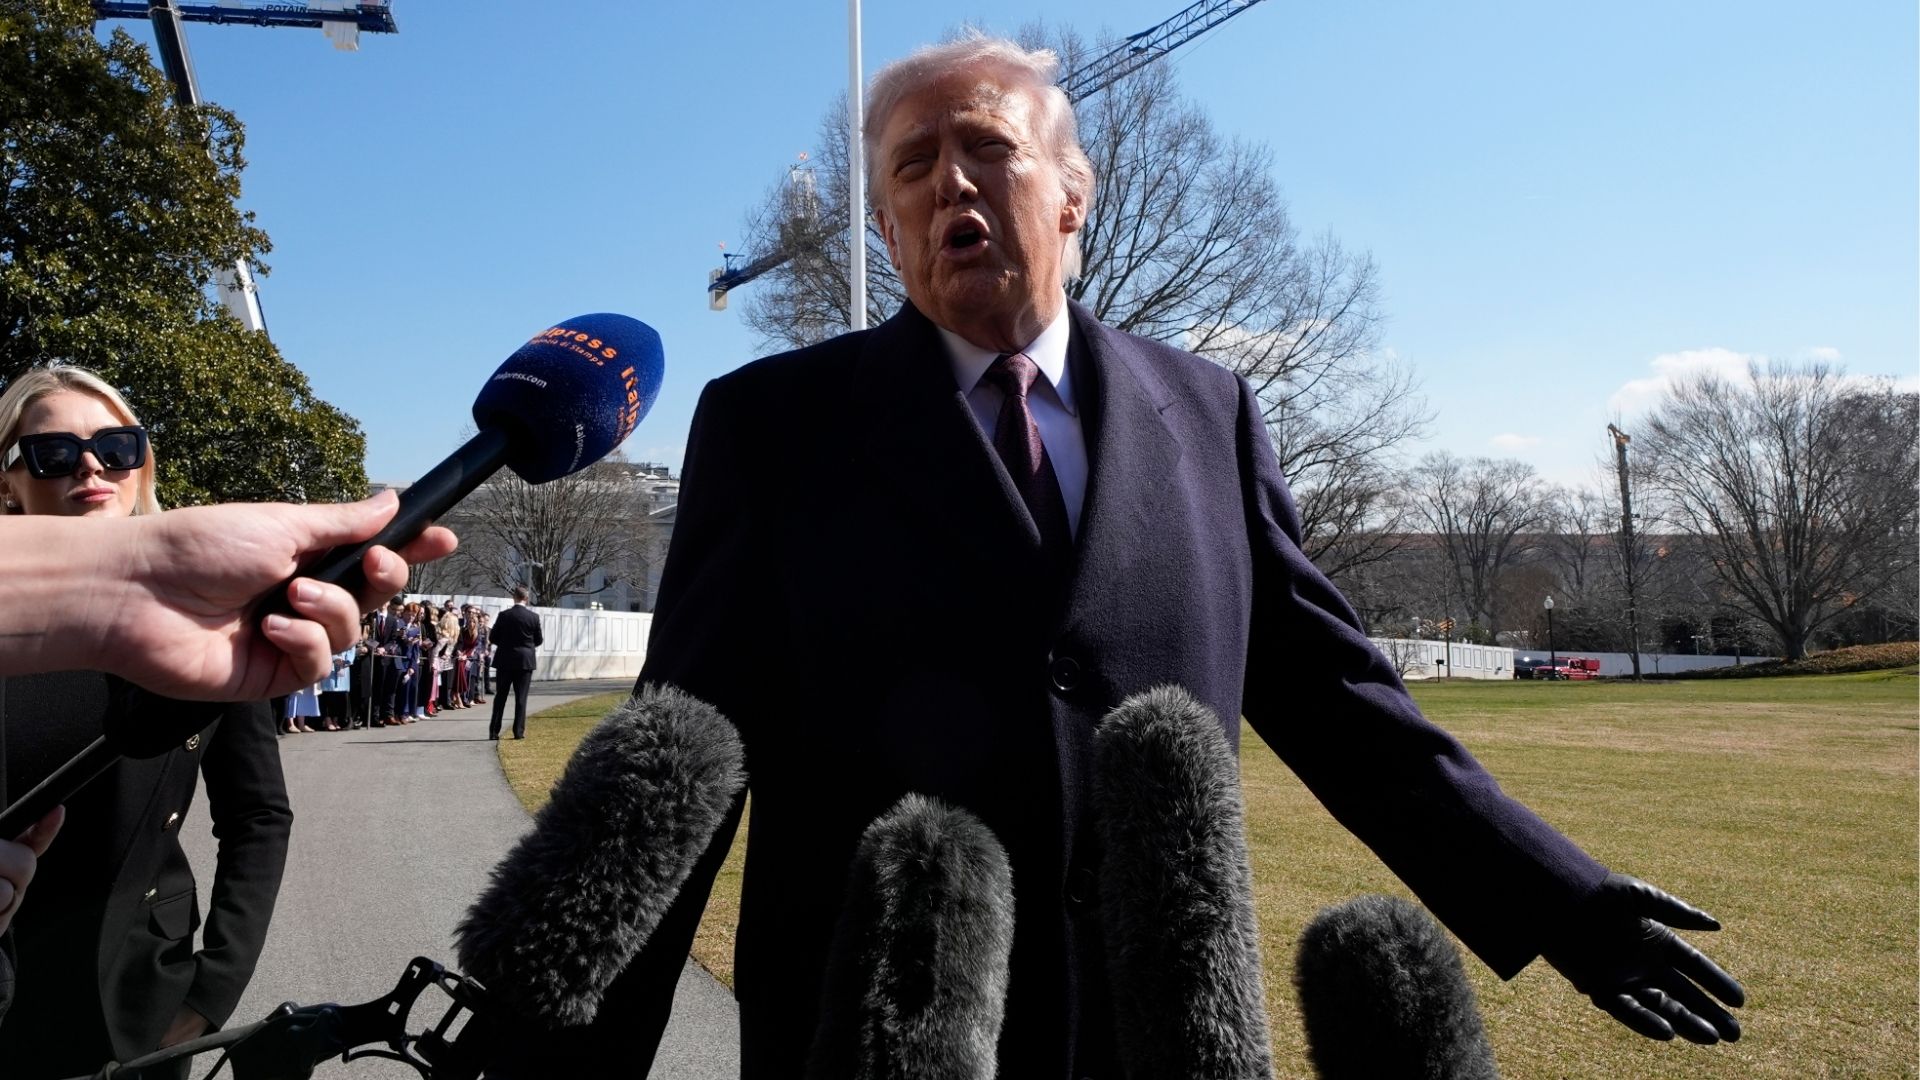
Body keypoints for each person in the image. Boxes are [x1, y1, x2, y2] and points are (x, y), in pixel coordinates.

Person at [565, 36, 1746, 1078]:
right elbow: (680, 774)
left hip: (1162, 1033)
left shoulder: (1212, 414)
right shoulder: (771, 428)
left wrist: (1555, 898)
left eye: (986, 147)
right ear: (883, 223)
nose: (948, 185)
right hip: (876, 1031)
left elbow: (1340, 699)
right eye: (911, 168)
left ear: (1074, 193)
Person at [0, 366, 293, 1078]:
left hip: (138, 995)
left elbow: (258, 814)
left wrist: (214, 988)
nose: (92, 466)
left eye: (117, 446)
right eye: (55, 453)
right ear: (9, 480)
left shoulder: (212, 619)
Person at [487, 588, 542, 741]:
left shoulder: (504, 615)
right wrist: (527, 646)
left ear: (514, 598)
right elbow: (538, 640)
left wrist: (505, 644)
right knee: (521, 698)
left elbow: (493, 636)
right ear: (527, 598)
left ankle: (494, 731)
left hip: (505, 659)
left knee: (501, 697)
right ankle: (518, 732)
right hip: (525, 660)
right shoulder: (533, 617)